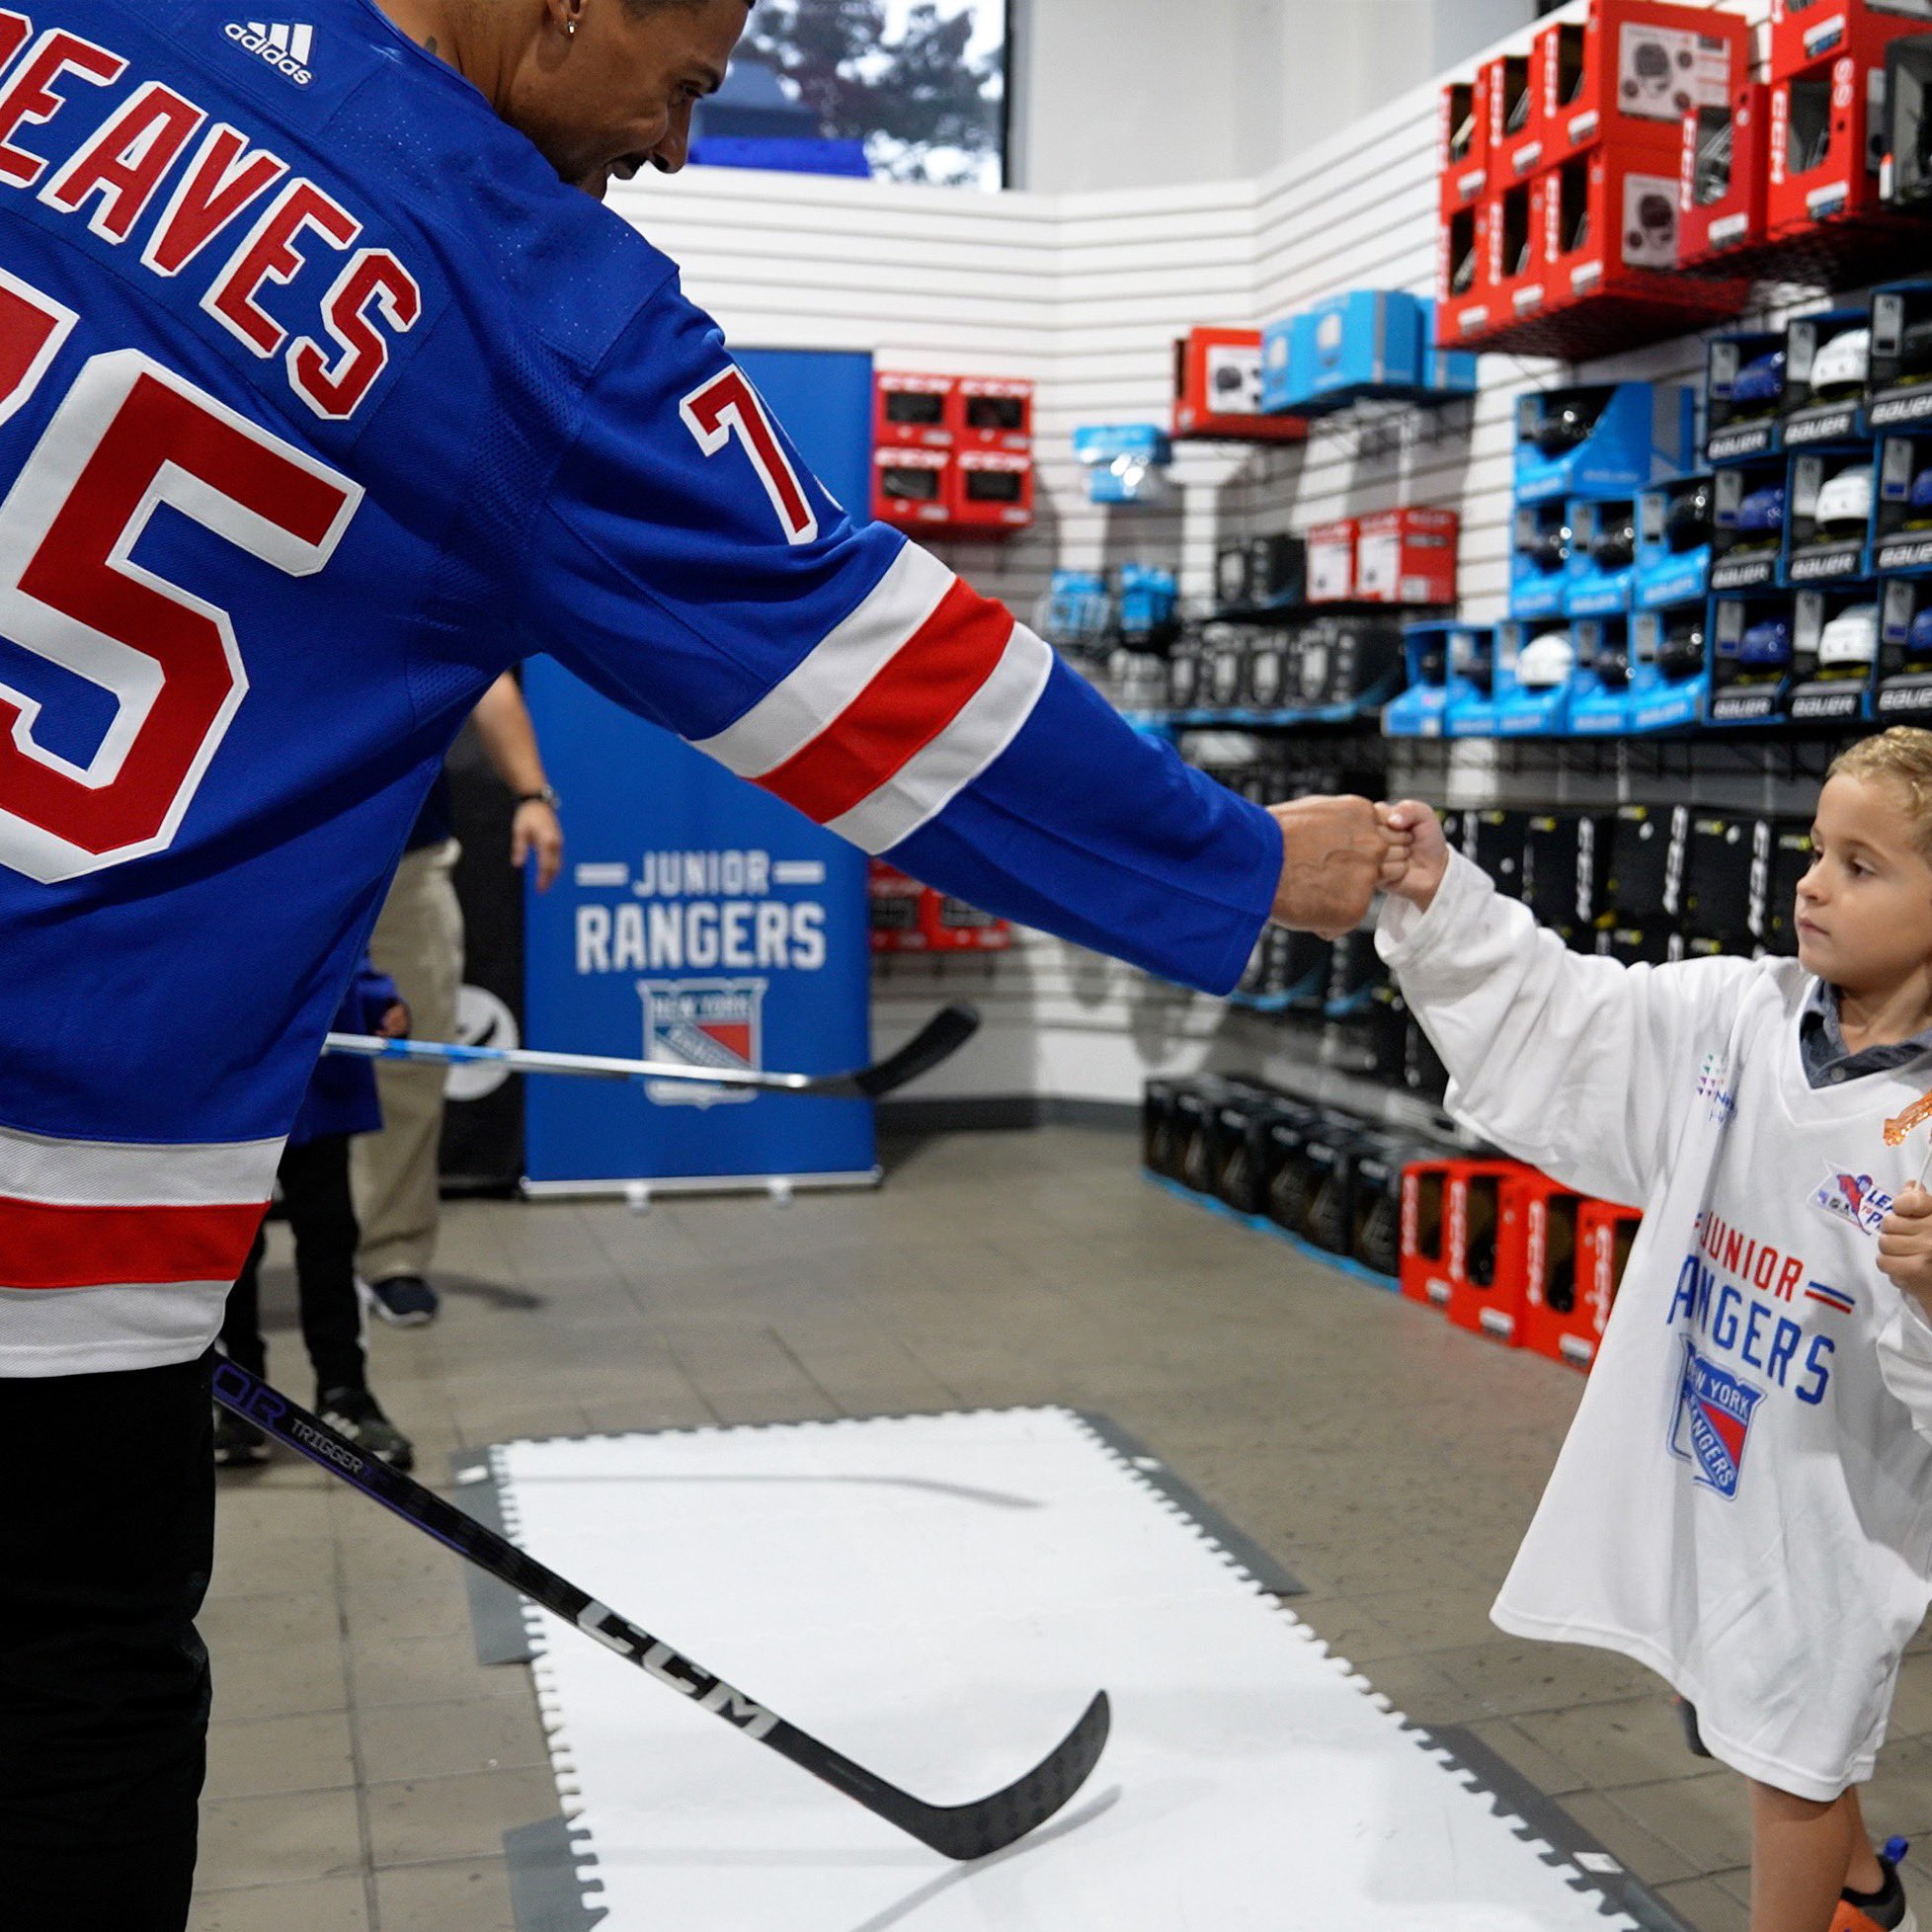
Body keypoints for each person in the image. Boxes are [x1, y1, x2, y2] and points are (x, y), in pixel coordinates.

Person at [0, 2, 1389, 1925]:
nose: (679, 142)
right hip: (51, 1232)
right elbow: (885, 679)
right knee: (68, 1722)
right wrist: (1243, 864)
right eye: (696, 68)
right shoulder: (531, 301)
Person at [1376, 729, 1932, 1932]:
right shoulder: (1741, 1012)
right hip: (1711, 1442)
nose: (1813, 883)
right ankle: (1864, 1886)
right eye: (1815, 851)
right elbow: (1574, 1020)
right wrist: (1440, 900)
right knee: (1742, 1702)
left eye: (1862, 864)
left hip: (1841, 1503)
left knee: (1791, 1728)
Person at [355, 670, 564, 1328]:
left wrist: (532, 794)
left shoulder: (418, 569)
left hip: (405, 860)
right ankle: (203, 1265)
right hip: (268, 859)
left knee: (411, 1063)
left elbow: (486, 674)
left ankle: (392, 1257)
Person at [217, 964, 416, 1471]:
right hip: (227, 1052)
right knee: (228, 1238)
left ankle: (344, 1391)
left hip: (317, 1055)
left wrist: (375, 996)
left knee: (329, 1232)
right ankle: (234, 1395)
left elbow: (347, 910)